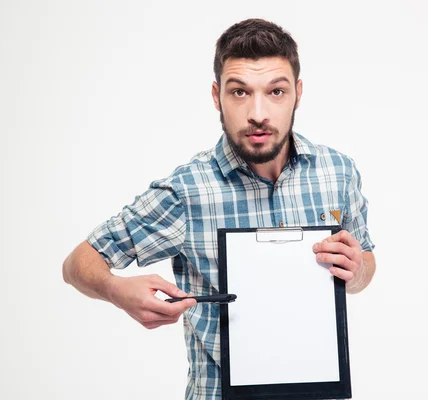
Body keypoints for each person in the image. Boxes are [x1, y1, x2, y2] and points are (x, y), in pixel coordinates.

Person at [63, 18, 376, 399]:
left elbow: (364, 265)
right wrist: (116, 290)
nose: (258, 113)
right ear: (217, 96)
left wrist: (356, 270)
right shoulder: (186, 190)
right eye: (240, 92)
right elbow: (79, 261)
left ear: (297, 93)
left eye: (275, 92)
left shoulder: (338, 172)